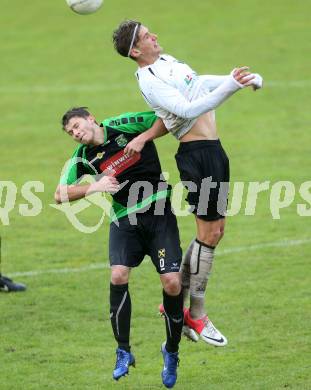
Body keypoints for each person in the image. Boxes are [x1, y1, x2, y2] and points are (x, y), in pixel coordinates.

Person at [112, 20, 263, 346]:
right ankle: (195, 314)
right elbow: (188, 108)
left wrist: (236, 78)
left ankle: (174, 305)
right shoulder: (149, 80)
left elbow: (198, 83)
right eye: (146, 36)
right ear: (136, 51)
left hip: (214, 151)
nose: (154, 35)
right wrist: (231, 88)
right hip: (196, 156)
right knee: (207, 234)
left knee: (215, 232)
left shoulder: (167, 62)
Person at [55, 107, 183, 388]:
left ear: (90, 118)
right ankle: (123, 350)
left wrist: (144, 137)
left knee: (172, 283)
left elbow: (166, 119)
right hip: (125, 219)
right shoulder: (82, 158)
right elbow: (59, 194)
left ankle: (171, 351)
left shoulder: (123, 124)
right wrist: (93, 188)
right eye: (70, 133)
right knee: (118, 275)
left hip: (159, 212)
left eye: (77, 126)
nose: (75, 134)